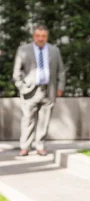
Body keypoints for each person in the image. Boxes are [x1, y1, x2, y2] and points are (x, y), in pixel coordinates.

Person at [13, 24, 65, 156]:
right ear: (33, 36)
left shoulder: (54, 50)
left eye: (43, 36)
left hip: (49, 90)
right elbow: (17, 71)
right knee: (27, 119)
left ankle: (40, 146)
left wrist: (60, 87)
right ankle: (25, 146)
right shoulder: (23, 49)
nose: (40, 38)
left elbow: (61, 71)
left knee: (44, 120)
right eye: (38, 36)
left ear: (46, 37)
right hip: (30, 91)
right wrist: (21, 86)